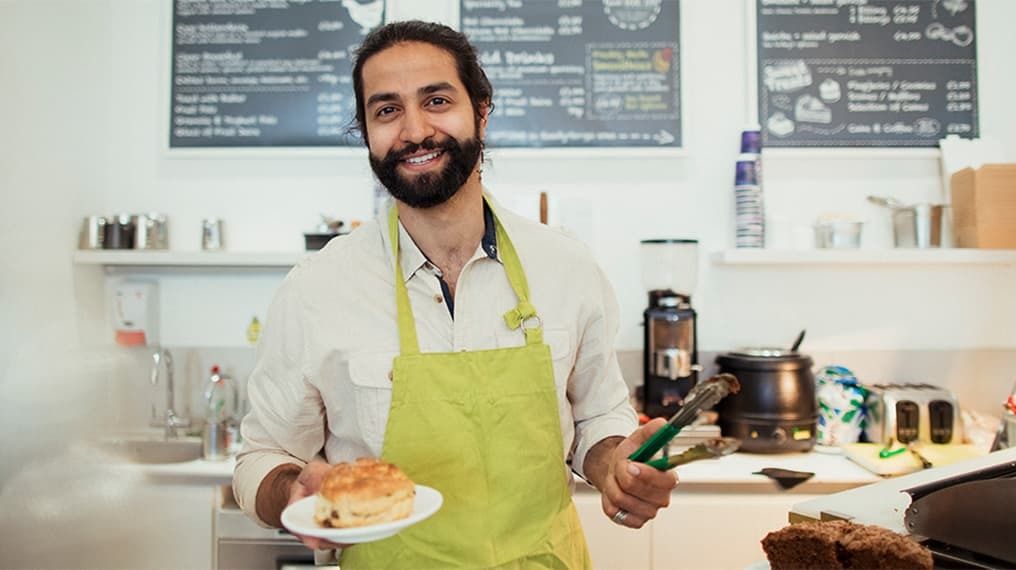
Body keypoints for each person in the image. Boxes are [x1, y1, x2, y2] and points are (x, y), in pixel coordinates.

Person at [234, 20, 677, 568]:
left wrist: (616, 467)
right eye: (387, 110)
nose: (415, 130)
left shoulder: (565, 266)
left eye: (437, 100)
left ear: (482, 110)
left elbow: (598, 421)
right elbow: (261, 458)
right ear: (366, 131)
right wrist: (292, 493)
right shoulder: (317, 289)